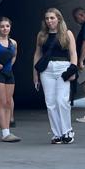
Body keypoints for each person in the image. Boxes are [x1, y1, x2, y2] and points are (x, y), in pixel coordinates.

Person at [33, 8, 78, 143]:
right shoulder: (42, 35)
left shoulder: (67, 33)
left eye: (52, 18)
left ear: (59, 19)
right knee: (50, 102)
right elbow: (37, 54)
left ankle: (67, 131)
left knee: (62, 100)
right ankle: (57, 134)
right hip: (46, 69)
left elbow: (73, 53)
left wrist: (72, 69)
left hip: (62, 67)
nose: (49, 21)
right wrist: (35, 74)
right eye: (47, 18)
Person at [0, 17, 21, 142]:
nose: (5, 28)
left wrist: (10, 65)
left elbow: (14, 56)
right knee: (1, 102)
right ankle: (5, 133)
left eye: (7, 26)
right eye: (2, 26)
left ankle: (8, 131)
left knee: (8, 102)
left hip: (9, 73)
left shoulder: (13, 43)